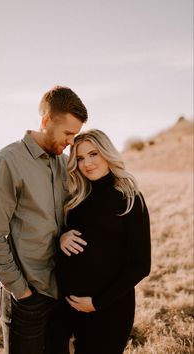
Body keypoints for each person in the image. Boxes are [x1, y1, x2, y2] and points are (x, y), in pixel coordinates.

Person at [0, 86, 88, 354]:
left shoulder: (64, 163)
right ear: (46, 121)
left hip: (59, 288)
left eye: (76, 134)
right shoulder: (6, 161)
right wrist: (21, 291)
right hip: (25, 294)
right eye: (68, 133)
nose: (72, 142)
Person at [56, 129, 151, 354]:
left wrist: (97, 303)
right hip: (69, 310)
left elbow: (140, 265)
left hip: (109, 311)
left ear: (107, 153)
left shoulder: (129, 198)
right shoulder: (77, 198)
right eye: (79, 158)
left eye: (93, 154)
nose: (87, 163)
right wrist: (62, 237)